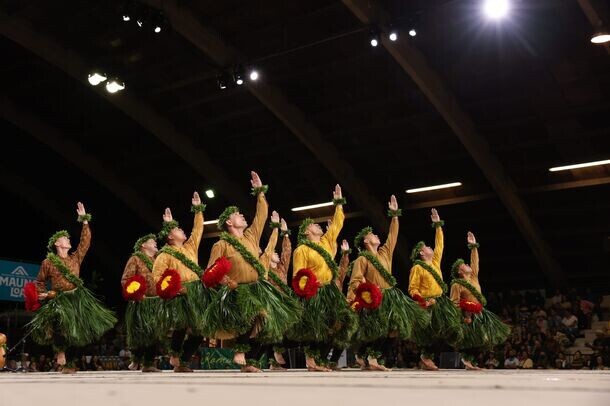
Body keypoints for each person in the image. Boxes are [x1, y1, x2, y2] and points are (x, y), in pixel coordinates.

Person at [205, 172, 300, 372]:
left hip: (258, 288)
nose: (241, 215)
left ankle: (250, 361)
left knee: (267, 323)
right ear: (229, 223)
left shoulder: (251, 237)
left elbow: (261, 216)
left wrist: (259, 193)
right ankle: (239, 351)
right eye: (237, 215)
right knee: (255, 313)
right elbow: (210, 272)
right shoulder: (221, 245)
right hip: (237, 291)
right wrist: (225, 281)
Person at [27, 202, 116, 374]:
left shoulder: (75, 258)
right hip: (59, 299)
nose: (69, 240)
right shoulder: (48, 262)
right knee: (60, 324)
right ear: (57, 244)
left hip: (77, 298)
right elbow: (39, 282)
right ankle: (60, 351)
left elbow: (85, 242)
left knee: (78, 333)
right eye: (65, 239)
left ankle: (70, 363)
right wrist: (44, 294)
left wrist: (84, 221)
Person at [348, 195, 428, 371]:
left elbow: (393, 235)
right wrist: (360, 297)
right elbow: (354, 281)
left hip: (390, 297)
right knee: (380, 329)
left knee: (395, 330)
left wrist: (394, 216)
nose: (376, 235)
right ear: (366, 241)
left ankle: (365, 355)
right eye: (372, 235)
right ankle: (370, 357)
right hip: (374, 298)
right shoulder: (362, 259)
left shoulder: (385, 253)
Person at [289, 185, 358, 372]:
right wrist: (308, 289)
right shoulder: (301, 250)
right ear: (306, 232)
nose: (317, 225)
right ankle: (312, 359)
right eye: (312, 225)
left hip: (330, 291)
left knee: (338, 323)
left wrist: (338, 204)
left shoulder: (327, 242)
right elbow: (298, 275)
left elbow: (337, 225)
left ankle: (319, 358)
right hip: (314, 292)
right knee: (317, 325)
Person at [152, 192, 208, 372]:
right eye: (177, 230)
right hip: (179, 293)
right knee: (182, 325)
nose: (182, 230)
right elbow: (157, 277)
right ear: (170, 237)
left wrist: (198, 209)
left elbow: (198, 229)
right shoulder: (164, 255)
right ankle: (175, 353)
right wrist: (175, 290)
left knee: (201, 330)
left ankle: (183, 361)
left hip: (196, 292)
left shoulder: (190, 247)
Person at [409, 209, 462, 371]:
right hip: (427, 303)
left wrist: (438, 225)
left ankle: (427, 358)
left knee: (445, 330)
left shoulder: (435, 262)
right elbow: (412, 289)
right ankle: (426, 357)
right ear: (421, 252)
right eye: (426, 247)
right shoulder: (418, 268)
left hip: (440, 302)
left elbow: (440, 244)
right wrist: (423, 301)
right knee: (430, 333)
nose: (430, 247)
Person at [450, 231, 510, 370]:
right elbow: (454, 302)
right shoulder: (456, 284)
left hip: (479, 313)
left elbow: (475, 262)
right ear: (460, 271)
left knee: (483, 340)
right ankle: (466, 360)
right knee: (470, 338)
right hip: (467, 315)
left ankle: (470, 361)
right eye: (463, 264)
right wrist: (464, 316)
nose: (466, 264)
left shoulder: (473, 278)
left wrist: (473, 247)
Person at [121, 234, 164, 372]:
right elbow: (126, 279)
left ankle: (148, 364)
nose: (155, 243)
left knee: (155, 333)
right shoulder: (136, 259)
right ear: (143, 245)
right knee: (141, 333)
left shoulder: (158, 259)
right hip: (141, 301)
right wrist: (137, 294)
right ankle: (136, 358)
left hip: (157, 302)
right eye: (152, 242)